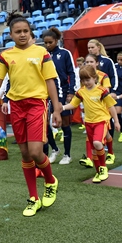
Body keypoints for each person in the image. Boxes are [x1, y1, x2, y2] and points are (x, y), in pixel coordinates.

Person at [0, 13, 61, 217]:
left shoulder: (41, 52)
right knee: (25, 154)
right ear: (11, 34)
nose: (23, 34)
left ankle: (51, 181)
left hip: (37, 104)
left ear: (30, 32)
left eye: (26, 31)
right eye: (18, 32)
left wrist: (57, 108)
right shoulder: (6, 56)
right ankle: (33, 198)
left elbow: (50, 80)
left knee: (36, 151)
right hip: (16, 106)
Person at [62, 65, 118, 183]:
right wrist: (62, 107)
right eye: (83, 80)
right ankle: (98, 172)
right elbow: (73, 105)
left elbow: (111, 106)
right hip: (88, 122)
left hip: (101, 121)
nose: (86, 83)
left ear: (94, 78)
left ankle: (103, 168)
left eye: (88, 80)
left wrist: (116, 121)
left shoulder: (102, 91)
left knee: (97, 143)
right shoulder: (81, 92)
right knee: (93, 151)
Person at [42, 28, 75, 165]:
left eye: (50, 42)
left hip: (62, 92)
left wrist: (71, 91)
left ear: (57, 41)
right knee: (44, 124)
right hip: (46, 93)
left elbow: (72, 73)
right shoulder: (43, 55)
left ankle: (67, 154)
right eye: (45, 43)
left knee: (64, 124)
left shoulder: (65, 53)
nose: (48, 45)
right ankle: (55, 149)